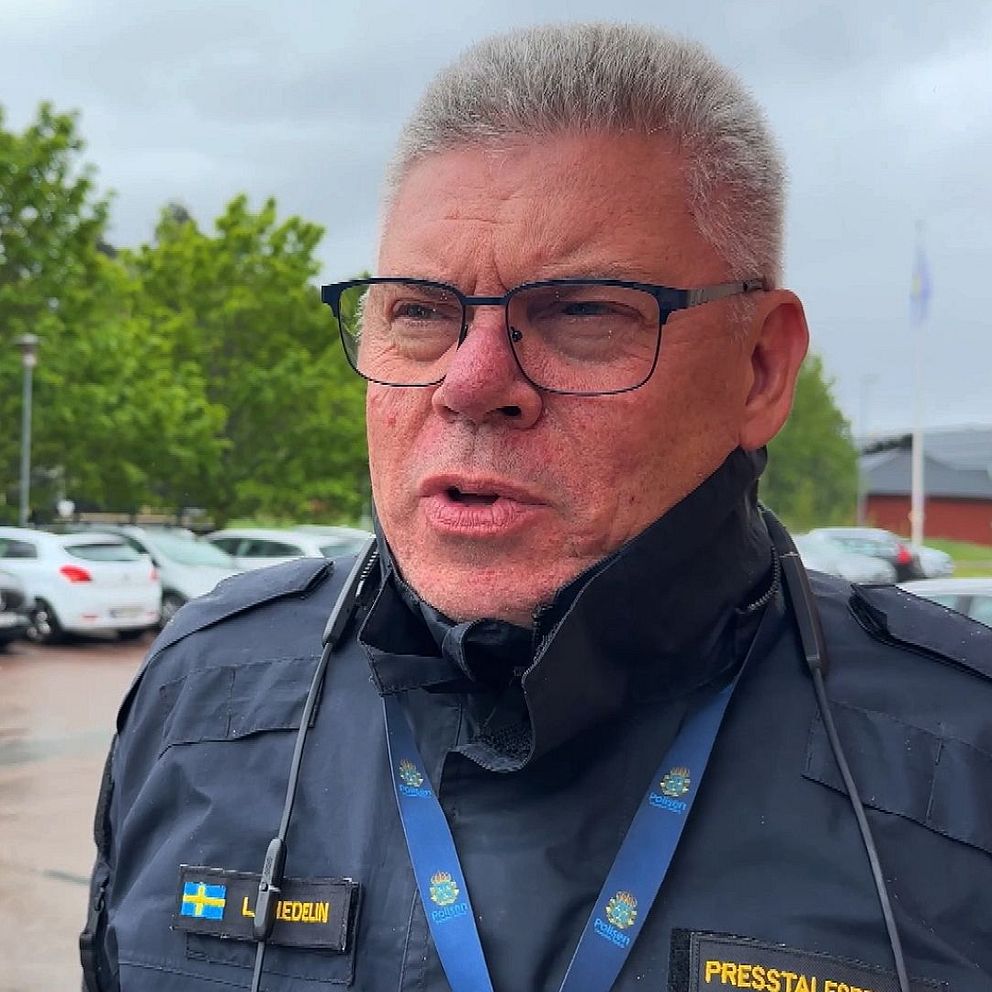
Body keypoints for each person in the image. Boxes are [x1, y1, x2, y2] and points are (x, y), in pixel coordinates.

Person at [81, 23, 992, 992]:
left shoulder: (963, 752)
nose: (470, 385)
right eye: (419, 310)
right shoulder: (203, 692)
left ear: (760, 367)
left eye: (584, 310)